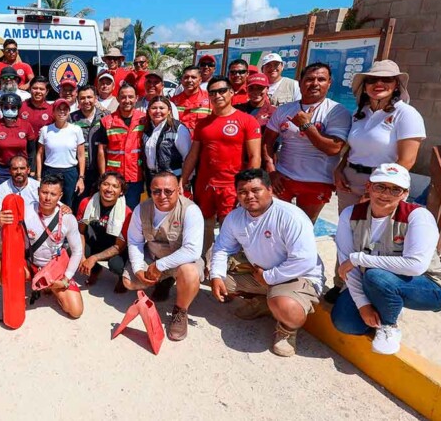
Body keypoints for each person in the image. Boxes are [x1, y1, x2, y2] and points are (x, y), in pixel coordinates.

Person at [328, 60, 426, 303]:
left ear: (396, 85)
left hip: (383, 185)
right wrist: (340, 169)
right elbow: (353, 149)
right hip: (352, 181)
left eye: (386, 80)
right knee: (348, 236)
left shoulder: (406, 114)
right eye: (372, 79)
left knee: (376, 240)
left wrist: (378, 190)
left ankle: (372, 290)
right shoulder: (361, 113)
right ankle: (342, 283)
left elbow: (407, 160)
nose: (378, 84)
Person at [331, 164, 441, 354]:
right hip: (377, 282)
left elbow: (415, 266)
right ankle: (385, 303)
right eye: (380, 186)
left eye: (395, 189)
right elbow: (348, 267)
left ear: (405, 194)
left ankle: (389, 326)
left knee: (376, 276)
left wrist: (359, 258)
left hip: (431, 287)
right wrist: (363, 305)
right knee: (345, 323)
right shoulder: (350, 215)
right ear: (368, 187)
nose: (386, 194)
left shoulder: (418, 216)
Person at [210, 169, 323, 357]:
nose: (249, 196)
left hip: (296, 276)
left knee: (288, 309)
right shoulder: (235, 217)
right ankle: (265, 302)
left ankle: (287, 330)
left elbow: (304, 260)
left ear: (270, 190)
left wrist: (269, 277)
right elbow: (222, 248)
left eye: (256, 190)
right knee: (218, 275)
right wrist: (215, 275)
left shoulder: (291, 216)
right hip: (261, 274)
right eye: (243, 192)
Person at [181, 76, 261, 272]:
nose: (217, 95)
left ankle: (224, 267)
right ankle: (206, 264)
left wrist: (248, 187)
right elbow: (193, 154)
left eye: (222, 91)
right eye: (213, 92)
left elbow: (255, 156)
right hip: (205, 184)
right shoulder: (203, 124)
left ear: (232, 92)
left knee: (229, 229)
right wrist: (182, 180)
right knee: (205, 226)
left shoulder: (247, 121)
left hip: (232, 186)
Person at [263, 62, 351, 223]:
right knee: (274, 222)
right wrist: (271, 170)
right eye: (310, 79)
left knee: (304, 226)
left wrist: (306, 125)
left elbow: (334, 148)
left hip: (317, 180)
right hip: (283, 177)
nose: (315, 83)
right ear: (301, 82)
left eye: (321, 79)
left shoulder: (337, 111)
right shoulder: (284, 110)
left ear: (329, 83)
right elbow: (266, 142)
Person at [124, 171, 204, 341]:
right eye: (156, 191)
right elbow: (134, 241)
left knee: (190, 274)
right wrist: (138, 268)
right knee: (129, 282)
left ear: (178, 190)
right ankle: (164, 281)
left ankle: (180, 311)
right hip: (153, 256)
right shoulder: (142, 209)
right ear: (150, 191)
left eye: (168, 191)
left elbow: (192, 250)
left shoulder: (191, 211)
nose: (162, 196)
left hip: (181, 261)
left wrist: (160, 265)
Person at [0, 174, 85, 318]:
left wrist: (66, 279)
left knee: (75, 311)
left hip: (54, 269)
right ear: (38, 192)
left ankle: (50, 287)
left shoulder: (67, 218)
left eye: (53, 194)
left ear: (60, 196)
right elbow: (0, 240)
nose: (48, 198)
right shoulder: (25, 211)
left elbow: (77, 251)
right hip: (30, 265)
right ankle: (16, 294)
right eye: (44, 192)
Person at [76, 172, 132, 293]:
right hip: (98, 241)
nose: (109, 189)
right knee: (73, 249)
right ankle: (95, 270)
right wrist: (81, 257)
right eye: (105, 184)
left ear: (121, 192)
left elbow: (119, 247)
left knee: (116, 265)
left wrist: (93, 258)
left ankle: (122, 278)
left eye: (115, 186)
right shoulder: (87, 203)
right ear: (99, 186)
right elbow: (80, 232)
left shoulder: (126, 213)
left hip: (117, 248)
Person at [96, 83, 148, 208]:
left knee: (131, 211)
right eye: (123, 97)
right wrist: (103, 176)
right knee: (112, 212)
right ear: (118, 98)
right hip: (113, 178)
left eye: (131, 97)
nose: (127, 100)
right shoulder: (107, 121)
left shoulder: (144, 119)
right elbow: (101, 151)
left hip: (136, 176)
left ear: (137, 98)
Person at [37, 98, 86, 209]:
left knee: (68, 204)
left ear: (69, 111)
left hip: (70, 172)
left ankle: (66, 226)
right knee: (48, 203)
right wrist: (39, 177)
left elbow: (81, 155)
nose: (62, 112)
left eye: (65, 109)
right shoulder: (46, 130)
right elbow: (39, 154)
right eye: (59, 109)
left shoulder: (76, 130)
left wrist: (81, 178)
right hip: (50, 171)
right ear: (53, 112)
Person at [0, 93, 37, 190]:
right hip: (0, 171)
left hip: (21, 170)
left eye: (13, 108)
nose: (9, 110)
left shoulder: (26, 125)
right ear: (1, 107)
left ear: (18, 108)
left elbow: (32, 151)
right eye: (6, 107)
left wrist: (32, 171)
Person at [70, 85, 110, 204]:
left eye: (89, 97)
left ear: (95, 98)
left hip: (101, 169)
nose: (86, 101)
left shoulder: (106, 116)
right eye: (82, 98)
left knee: (100, 202)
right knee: (79, 203)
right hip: (79, 171)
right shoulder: (71, 119)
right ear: (78, 100)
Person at [143, 95, 191, 188]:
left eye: (161, 108)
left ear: (169, 111)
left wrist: (184, 181)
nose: (158, 111)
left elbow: (188, 157)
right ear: (148, 111)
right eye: (154, 108)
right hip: (152, 179)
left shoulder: (178, 129)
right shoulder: (146, 129)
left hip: (173, 180)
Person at [171, 65, 211, 132]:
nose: (189, 80)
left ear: (200, 80)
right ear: (182, 80)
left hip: (201, 141)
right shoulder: (173, 101)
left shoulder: (210, 99)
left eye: (193, 77)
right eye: (186, 77)